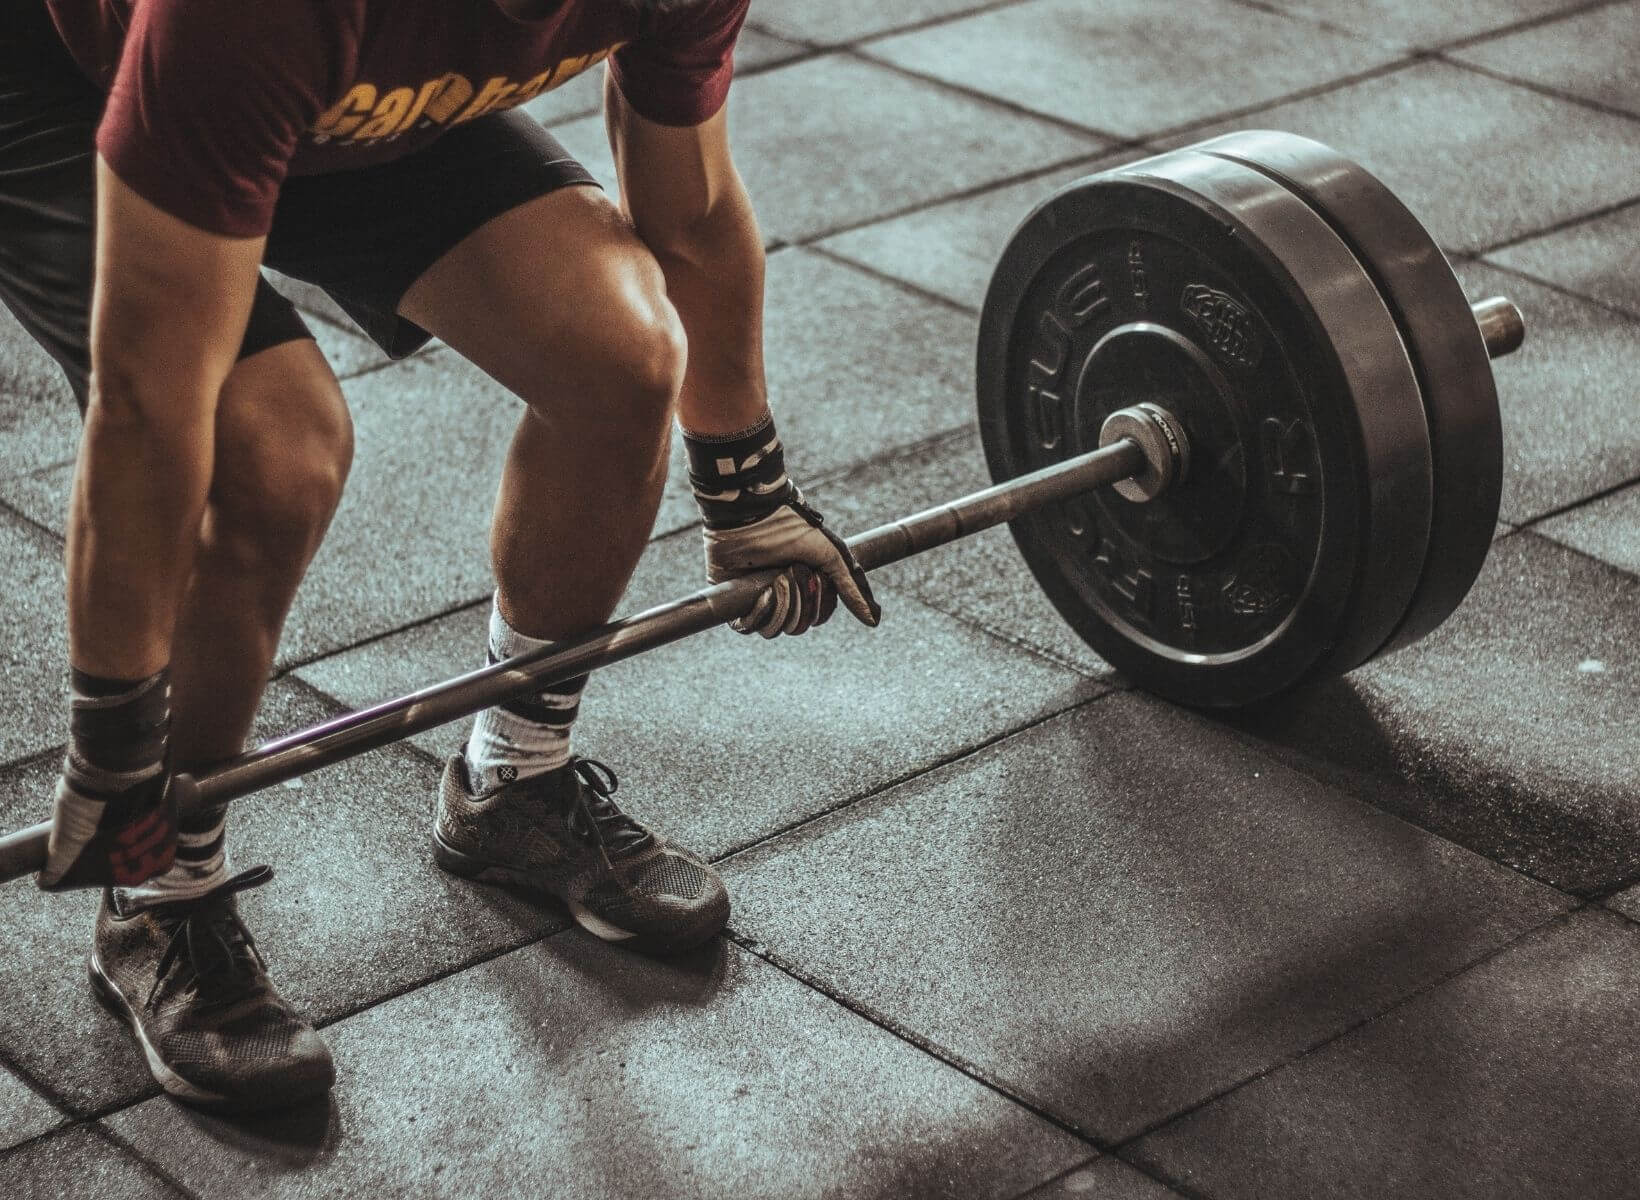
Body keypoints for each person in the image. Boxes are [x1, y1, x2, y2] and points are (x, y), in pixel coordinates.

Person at [0, 0, 879, 1113]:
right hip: (75, 78)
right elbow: (147, 401)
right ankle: (159, 894)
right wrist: (118, 739)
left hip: (350, 91)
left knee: (621, 354)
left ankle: (513, 778)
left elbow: (690, 219)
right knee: (267, 450)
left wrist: (745, 495)